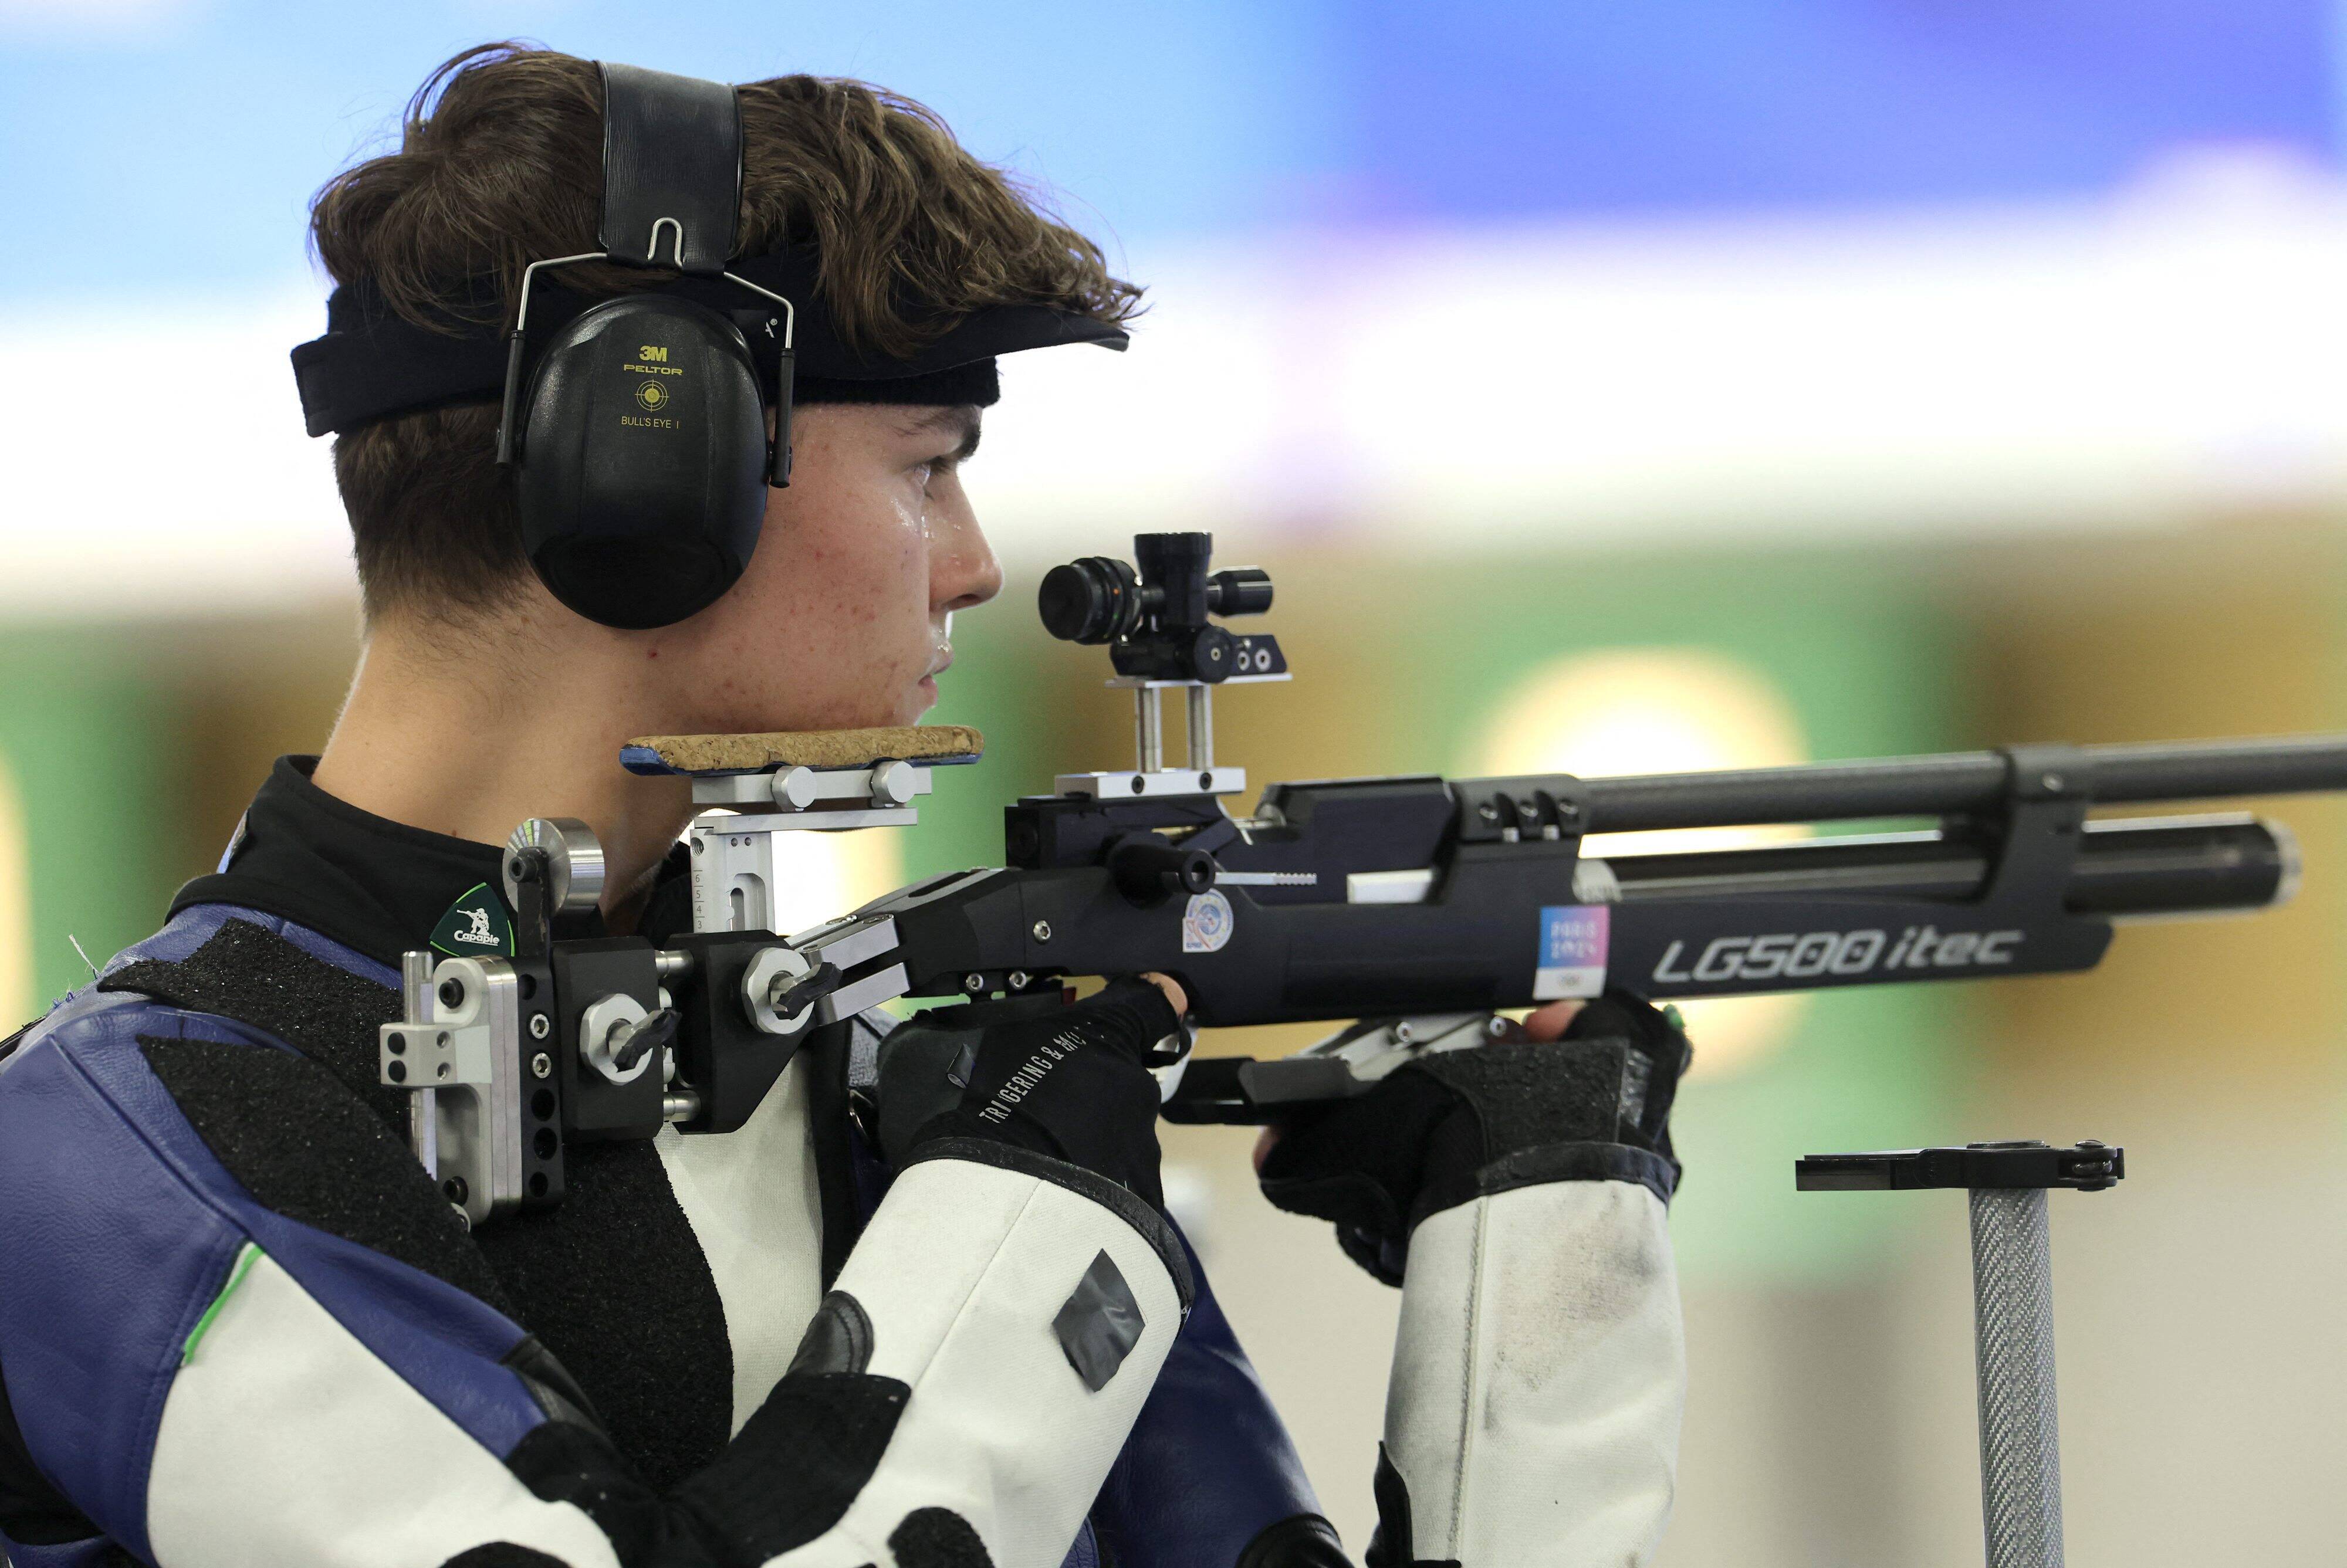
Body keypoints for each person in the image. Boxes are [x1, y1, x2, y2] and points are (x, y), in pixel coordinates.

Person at [0, 45, 1689, 1568]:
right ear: (647, 463)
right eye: (928, 463)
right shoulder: (96, 1154)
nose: (974, 562)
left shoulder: (887, 1100)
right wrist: (1023, 1217)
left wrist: (1541, 1239)